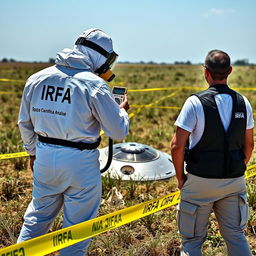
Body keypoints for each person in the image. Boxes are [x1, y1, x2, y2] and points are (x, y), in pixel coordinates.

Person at [17, 28, 130, 255]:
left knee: (36, 217)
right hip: (81, 162)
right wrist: (123, 111)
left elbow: (24, 123)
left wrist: (32, 153)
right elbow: (117, 132)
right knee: (77, 231)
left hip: (45, 157)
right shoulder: (95, 85)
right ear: (99, 55)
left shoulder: (37, 78)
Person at [171, 49, 254, 256]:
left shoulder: (194, 103)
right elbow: (249, 145)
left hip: (199, 181)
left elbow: (176, 146)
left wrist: (181, 178)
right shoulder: (243, 103)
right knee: (236, 236)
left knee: (192, 242)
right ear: (230, 71)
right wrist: (237, 166)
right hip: (234, 181)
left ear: (205, 72)